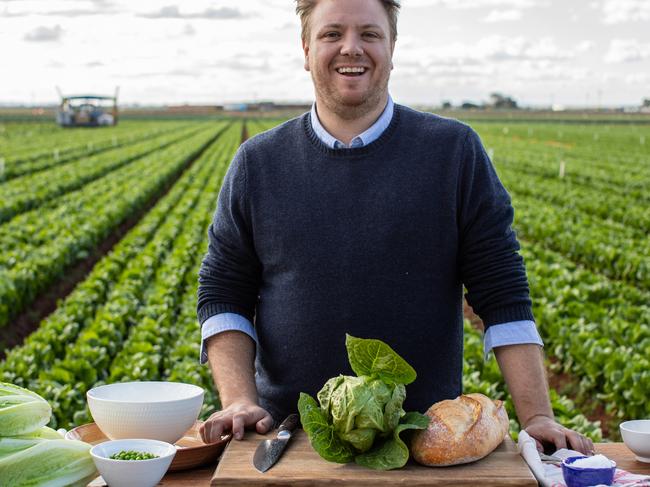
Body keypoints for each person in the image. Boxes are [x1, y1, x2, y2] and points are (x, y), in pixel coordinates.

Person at [196, 0, 594, 455]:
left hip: (428, 439)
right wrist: (240, 400)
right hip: (289, 439)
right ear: (306, 49)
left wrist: (538, 415)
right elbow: (224, 289)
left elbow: (501, 290)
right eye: (332, 34)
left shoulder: (454, 152)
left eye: (369, 34)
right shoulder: (258, 163)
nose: (352, 48)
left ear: (392, 47)